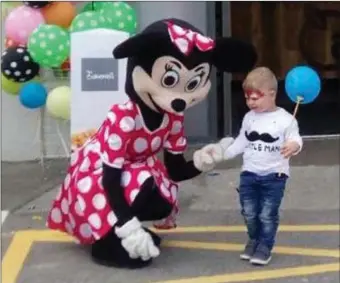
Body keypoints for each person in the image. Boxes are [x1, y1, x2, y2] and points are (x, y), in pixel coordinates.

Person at [46, 18, 257, 269]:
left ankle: (121, 228)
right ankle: (107, 240)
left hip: (132, 171)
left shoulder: (172, 118)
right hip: (94, 177)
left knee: (161, 193)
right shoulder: (124, 117)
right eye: (170, 80)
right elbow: (110, 177)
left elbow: (175, 170)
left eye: (191, 84)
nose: (179, 98)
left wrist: (202, 162)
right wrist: (128, 225)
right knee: (144, 180)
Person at [193, 67, 303, 265]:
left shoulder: (287, 119)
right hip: (249, 174)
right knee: (249, 212)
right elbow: (241, 142)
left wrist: (293, 145)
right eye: (247, 98)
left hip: (274, 176)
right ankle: (254, 239)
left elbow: (296, 139)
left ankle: (265, 246)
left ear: (272, 94)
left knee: (267, 214)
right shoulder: (249, 118)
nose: (251, 102)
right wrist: (222, 154)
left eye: (256, 98)